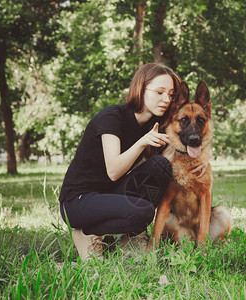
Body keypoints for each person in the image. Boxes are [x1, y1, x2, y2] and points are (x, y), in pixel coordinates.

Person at [58, 63, 181, 261]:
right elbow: (113, 171)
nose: (166, 99)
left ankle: (130, 239)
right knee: (143, 213)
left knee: (161, 166)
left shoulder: (152, 126)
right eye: (159, 92)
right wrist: (142, 142)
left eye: (171, 94)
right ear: (140, 89)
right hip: (78, 201)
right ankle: (86, 232)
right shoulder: (112, 118)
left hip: (108, 194)